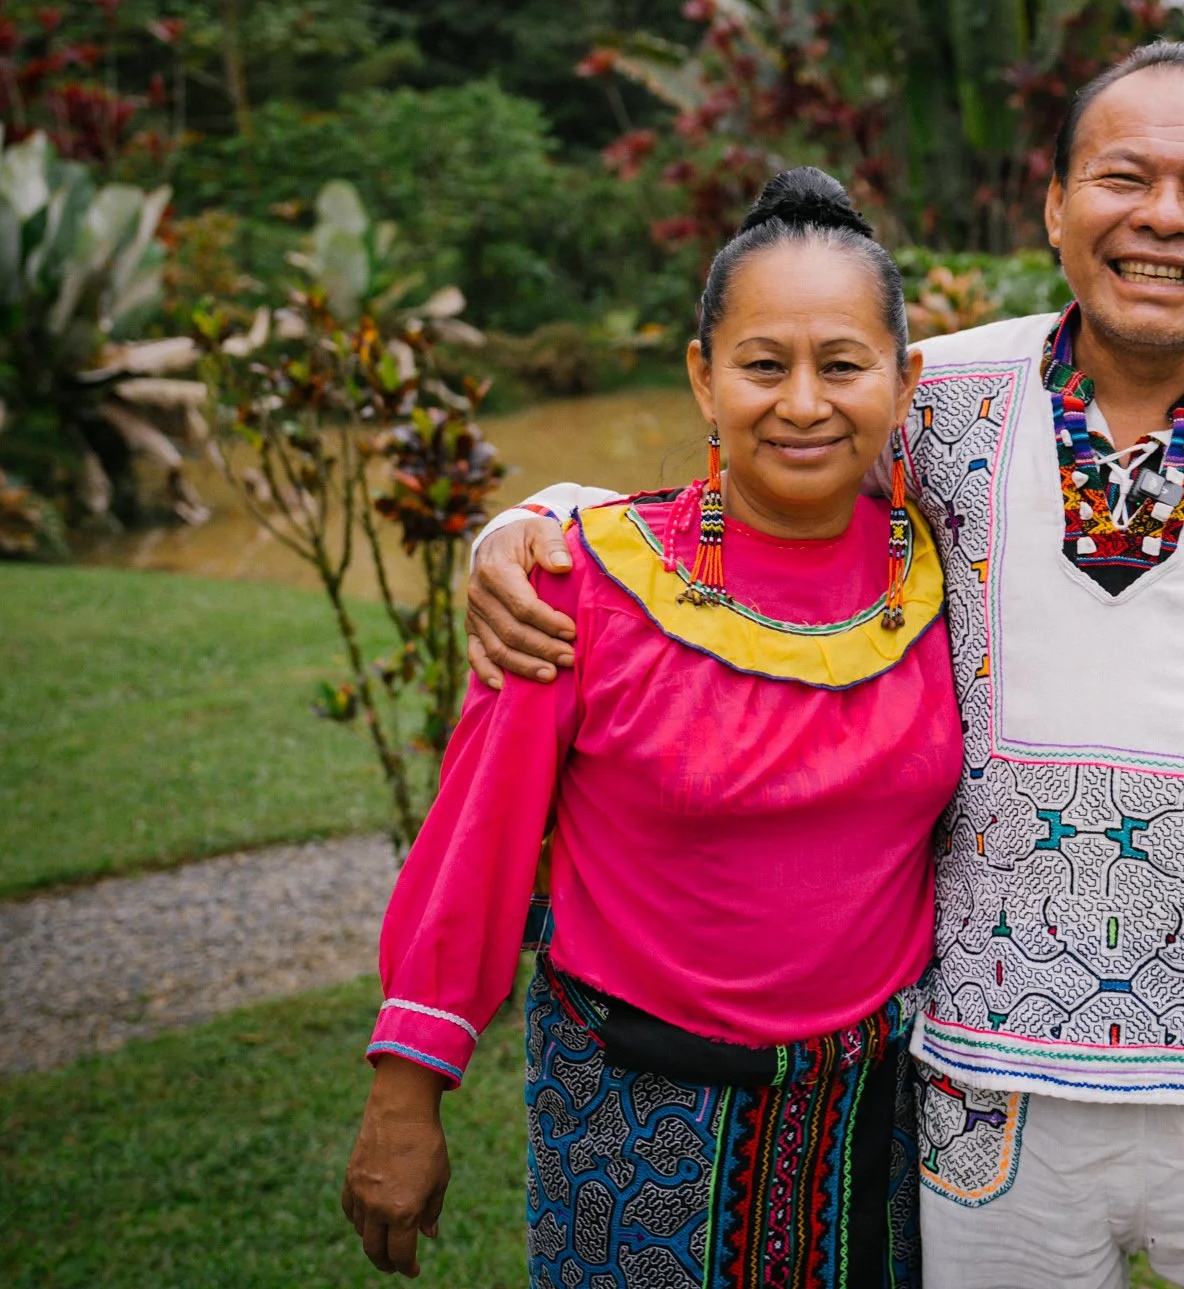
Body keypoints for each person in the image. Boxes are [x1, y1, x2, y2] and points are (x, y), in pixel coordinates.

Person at [472, 43, 1184, 1289]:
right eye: (1125, 176)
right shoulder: (935, 396)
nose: (1164, 217)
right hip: (988, 1087)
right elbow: (741, 482)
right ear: (1056, 203)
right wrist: (526, 522)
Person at [342, 168, 964, 1287]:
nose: (805, 402)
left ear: (905, 379)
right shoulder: (581, 580)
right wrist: (406, 1094)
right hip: (635, 1109)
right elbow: (473, 845)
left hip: (878, 1114)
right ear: (703, 377)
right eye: (763, 364)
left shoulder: (947, 568)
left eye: (844, 363)